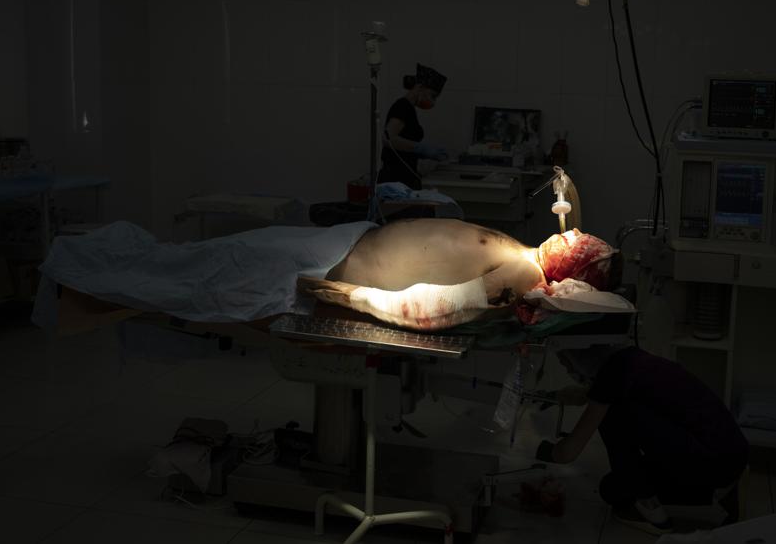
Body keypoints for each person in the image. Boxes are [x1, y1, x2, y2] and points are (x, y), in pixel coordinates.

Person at [536, 345, 749, 535]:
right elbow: (604, 392)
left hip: (712, 462)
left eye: (564, 361)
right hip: (732, 452)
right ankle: (722, 490)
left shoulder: (610, 377)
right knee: (611, 488)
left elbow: (568, 453)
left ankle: (653, 514)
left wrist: (545, 452)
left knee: (612, 417)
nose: (566, 368)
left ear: (578, 356)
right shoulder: (632, 358)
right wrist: (562, 396)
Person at [302, 221, 622, 331]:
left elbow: (442, 306)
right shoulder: (526, 254)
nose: (572, 234)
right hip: (349, 242)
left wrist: (355, 297)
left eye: (580, 246)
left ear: (573, 273)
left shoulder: (527, 274)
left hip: (339, 265)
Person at [378, 63, 450, 190]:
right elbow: (388, 139)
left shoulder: (409, 108)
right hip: (395, 179)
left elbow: (404, 141)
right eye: (432, 95)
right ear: (420, 87)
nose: (433, 101)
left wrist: (423, 153)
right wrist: (420, 148)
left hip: (404, 177)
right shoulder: (403, 106)